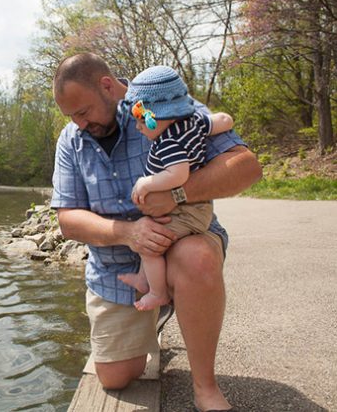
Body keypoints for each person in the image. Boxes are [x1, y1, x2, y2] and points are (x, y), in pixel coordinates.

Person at [50, 53, 261, 411]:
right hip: (115, 270)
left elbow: (246, 168)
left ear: (106, 85)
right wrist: (130, 233)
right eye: (71, 117)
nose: (80, 124)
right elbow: (68, 218)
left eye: (83, 112)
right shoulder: (72, 140)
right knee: (115, 377)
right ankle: (156, 312)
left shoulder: (163, 102)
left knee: (196, 258)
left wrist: (177, 193)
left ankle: (205, 388)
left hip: (183, 241)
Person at [117, 66, 235, 311]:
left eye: (141, 122)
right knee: (149, 230)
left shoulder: (168, 142)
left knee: (150, 245)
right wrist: (225, 121)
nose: (138, 128)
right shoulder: (195, 122)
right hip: (195, 207)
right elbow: (224, 120)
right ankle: (142, 278)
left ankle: (157, 293)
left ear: (158, 116)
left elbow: (178, 174)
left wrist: (146, 182)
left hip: (187, 211)